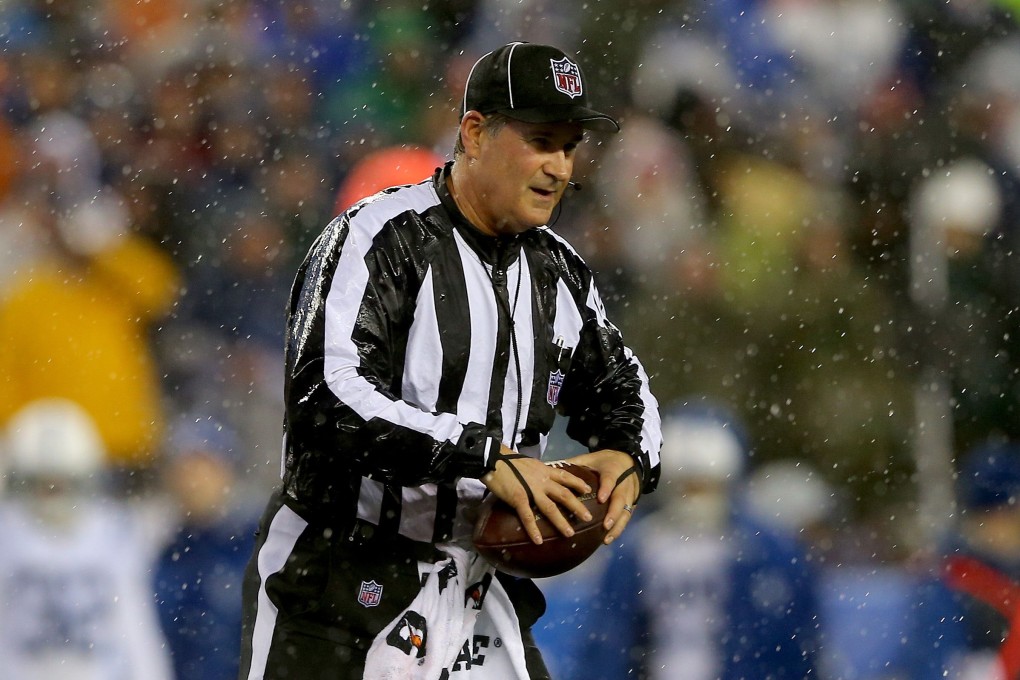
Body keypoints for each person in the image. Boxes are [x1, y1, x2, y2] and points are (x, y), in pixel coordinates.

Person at [237, 41, 662, 680]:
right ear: (474, 133)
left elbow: (625, 387)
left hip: (478, 585)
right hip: (341, 578)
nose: (559, 167)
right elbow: (324, 398)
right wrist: (481, 457)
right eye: (541, 140)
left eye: (570, 147)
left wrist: (630, 458)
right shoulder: (377, 238)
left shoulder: (560, 272)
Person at [583, 400, 821, 680]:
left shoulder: (765, 549)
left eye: (704, 487)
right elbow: (609, 643)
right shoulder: (638, 545)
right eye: (686, 487)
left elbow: (794, 645)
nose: (694, 501)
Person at [0, 398, 174, 680]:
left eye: (61, 483)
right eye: (42, 484)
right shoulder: (7, 534)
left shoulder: (116, 533)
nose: (52, 496)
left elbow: (136, 632)